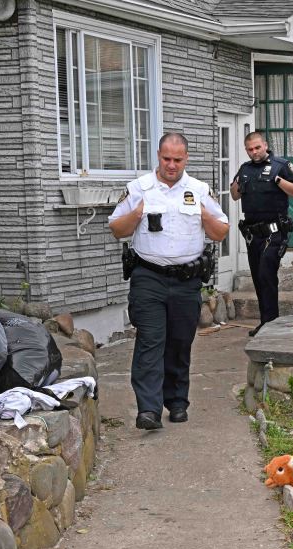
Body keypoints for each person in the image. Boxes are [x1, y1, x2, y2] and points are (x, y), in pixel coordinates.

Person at [108, 133, 229, 431]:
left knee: (179, 342)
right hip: (148, 276)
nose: (171, 165)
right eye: (166, 159)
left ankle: (176, 401)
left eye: (177, 159)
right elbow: (117, 229)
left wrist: (203, 214)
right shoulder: (139, 188)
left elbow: (220, 232)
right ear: (158, 157)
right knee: (151, 340)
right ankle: (148, 409)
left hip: (187, 280)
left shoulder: (199, 190)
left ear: (186, 159)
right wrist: (136, 214)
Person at [231, 131, 293, 336]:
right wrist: (236, 186)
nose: (254, 152)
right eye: (250, 149)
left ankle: (271, 323)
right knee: (257, 276)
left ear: (265, 145)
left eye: (257, 147)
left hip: (274, 231)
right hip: (252, 233)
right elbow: (235, 195)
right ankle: (266, 322)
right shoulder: (245, 169)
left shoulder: (281, 165)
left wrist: (278, 181)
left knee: (266, 273)